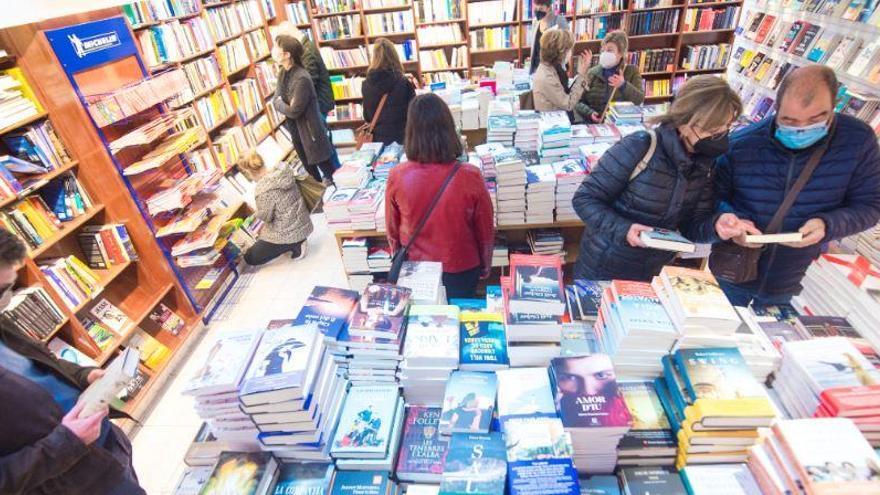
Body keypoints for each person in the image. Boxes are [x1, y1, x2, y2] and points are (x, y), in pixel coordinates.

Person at [700, 65, 880, 306]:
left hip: (800, 277)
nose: (800, 129)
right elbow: (712, 196)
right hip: (735, 268)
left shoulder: (858, 142)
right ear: (776, 106)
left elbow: (870, 205)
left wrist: (827, 225)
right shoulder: (743, 144)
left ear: (834, 105)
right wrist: (731, 220)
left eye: (816, 119)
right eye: (789, 120)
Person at [0, 230, 145, 495]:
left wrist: (83, 376)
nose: (6, 300)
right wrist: (66, 443)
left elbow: (39, 362)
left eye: (9, 287)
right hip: (65, 481)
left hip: (102, 451)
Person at [571, 75, 743, 281]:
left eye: (726, 129)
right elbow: (584, 199)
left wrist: (716, 226)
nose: (721, 138)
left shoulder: (706, 164)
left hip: (655, 272)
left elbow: (691, 225)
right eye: (713, 131)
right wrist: (624, 229)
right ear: (685, 121)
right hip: (604, 267)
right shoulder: (640, 147)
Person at [385, 94, 495, 299]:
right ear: (449, 130)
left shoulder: (397, 175)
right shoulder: (470, 175)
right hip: (461, 266)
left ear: (410, 131)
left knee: (424, 322)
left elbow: (392, 229)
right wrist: (485, 263)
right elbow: (485, 230)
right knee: (460, 317)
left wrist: (397, 255)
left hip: (417, 268)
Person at [272, 22, 340, 170]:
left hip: (316, 106)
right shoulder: (286, 69)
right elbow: (277, 98)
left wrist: (286, 101)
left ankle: (336, 174)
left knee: (323, 148)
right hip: (309, 107)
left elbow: (306, 84)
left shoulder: (305, 53)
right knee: (320, 148)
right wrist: (286, 101)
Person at [238, 152, 313, 265]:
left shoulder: (263, 189)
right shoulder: (281, 173)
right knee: (264, 238)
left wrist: (255, 213)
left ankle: (295, 244)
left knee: (250, 257)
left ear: (248, 172)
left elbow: (266, 217)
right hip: (302, 223)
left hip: (286, 232)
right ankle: (295, 242)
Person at [574, 30, 645, 123]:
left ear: (621, 53)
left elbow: (639, 99)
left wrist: (623, 85)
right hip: (594, 126)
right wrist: (589, 113)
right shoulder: (592, 73)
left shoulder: (631, 71)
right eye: (603, 50)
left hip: (619, 125)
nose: (605, 53)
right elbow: (577, 101)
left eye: (610, 50)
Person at [362, 38, 417, 146]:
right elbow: (414, 112)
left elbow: (367, 117)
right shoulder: (403, 82)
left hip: (378, 140)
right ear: (395, 56)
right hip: (403, 138)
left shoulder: (366, 85)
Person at [532, 29, 592, 118]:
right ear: (560, 52)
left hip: (559, 116)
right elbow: (568, 104)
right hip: (554, 123)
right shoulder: (547, 77)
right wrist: (582, 74)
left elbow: (565, 91)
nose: (570, 53)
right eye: (569, 50)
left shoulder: (553, 67)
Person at [527, 0, 570, 75]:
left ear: (548, 8)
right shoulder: (535, 22)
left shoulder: (559, 21)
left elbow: (568, 46)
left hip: (553, 71)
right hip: (536, 70)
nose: (537, 11)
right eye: (536, 8)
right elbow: (534, 49)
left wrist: (561, 65)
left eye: (541, 9)